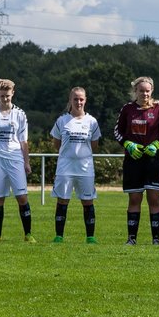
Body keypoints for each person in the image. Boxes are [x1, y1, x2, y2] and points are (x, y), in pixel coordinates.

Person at [113, 76, 159, 245]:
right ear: (135, 91)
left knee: (154, 199)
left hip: (153, 161)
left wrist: (157, 143)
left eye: (147, 91)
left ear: (152, 91)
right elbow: (117, 132)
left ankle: (156, 239)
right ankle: (131, 239)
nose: (144, 94)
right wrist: (127, 144)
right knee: (134, 199)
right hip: (133, 161)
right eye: (141, 91)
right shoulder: (127, 109)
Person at [0, 79, 34, 242]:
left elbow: (24, 141)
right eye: (2, 95)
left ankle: (28, 234)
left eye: (8, 96)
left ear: (13, 94)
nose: (5, 99)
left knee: (22, 196)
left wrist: (26, 162)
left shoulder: (20, 114)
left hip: (15, 159)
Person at [50, 86, 101, 244]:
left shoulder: (92, 121)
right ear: (70, 100)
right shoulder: (62, 120)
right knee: (62, 200)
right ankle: (59, 236)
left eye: (81, 99)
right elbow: (56, 143)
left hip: (85, 168)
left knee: (87, 201)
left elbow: (95, 145)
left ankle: (90, 237)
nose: (78, 102)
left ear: (85, 100)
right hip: (65, 168)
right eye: (75, 99)